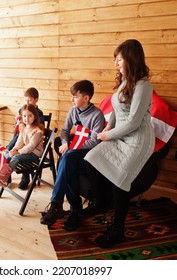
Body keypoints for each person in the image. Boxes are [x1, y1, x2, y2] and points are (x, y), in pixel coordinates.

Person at [84, 39, 155, 248]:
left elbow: (133, 121)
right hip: (118, 133)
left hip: (138, 139)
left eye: (119, 59)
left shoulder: (144, 85)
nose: (116, 64)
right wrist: (108, 126)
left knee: (120, 182)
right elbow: (116, 109)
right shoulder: (124, 82)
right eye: (115, 60)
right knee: (91, 158)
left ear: (130, 60)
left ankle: (117, 229)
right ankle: (102, 202)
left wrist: (109, 135)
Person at [40, 80, 105, 231]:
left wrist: (71, 146)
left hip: (89, 156)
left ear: (86, 98)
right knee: (68, 163)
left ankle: (57, 204)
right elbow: (64, 131)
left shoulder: (97, 115)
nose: (72, 99)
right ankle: (75, 212)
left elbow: (93, 142)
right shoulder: (73, 111)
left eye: (75, 96)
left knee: (66, 159)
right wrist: (64, 142)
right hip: (73, 152)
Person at [0, 87, 44, 190]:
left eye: (29, 116)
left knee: (16, 157)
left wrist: (18, 152)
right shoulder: (24, 127)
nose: (26, 119)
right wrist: (15, 149)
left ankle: (3, 176)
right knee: (6, 154)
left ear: (35, 117)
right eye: (24, 116)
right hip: (25, 150)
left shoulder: (37, 132)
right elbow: (20, 141)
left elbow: (30, 147)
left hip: (33, 154)